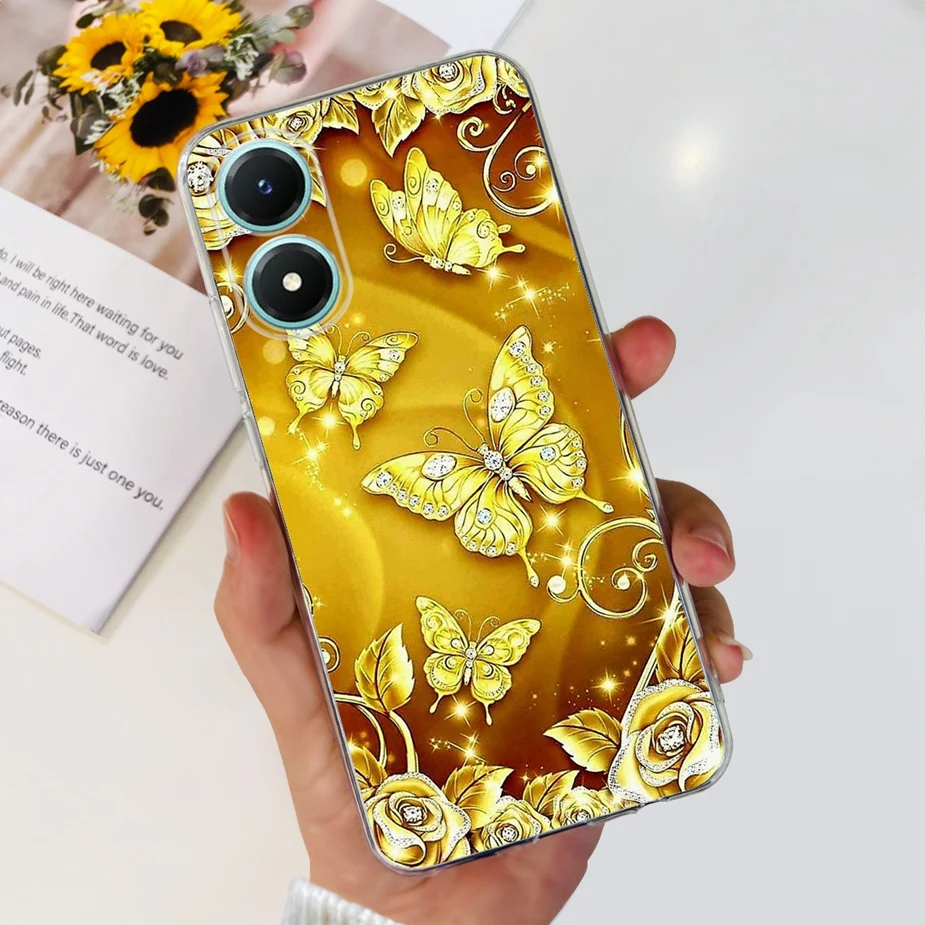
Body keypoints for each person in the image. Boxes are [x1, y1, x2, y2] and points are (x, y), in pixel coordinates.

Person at [214, 317, 752, 925]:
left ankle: (576, 506)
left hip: (507, 491)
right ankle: (566, 516)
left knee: (599, 497)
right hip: (501, 498)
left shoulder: (450, 450)